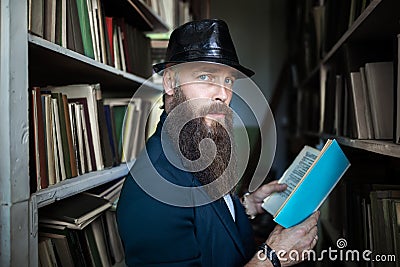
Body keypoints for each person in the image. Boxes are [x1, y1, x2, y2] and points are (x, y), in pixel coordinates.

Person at [116, 19, 319, 267]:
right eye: (205, 76)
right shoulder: (155, 189)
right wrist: (271, 259)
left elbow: (208, 221)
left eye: (228, 81)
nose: (222, 94)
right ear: (170, 82)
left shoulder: (194, 146)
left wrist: (246, 207)